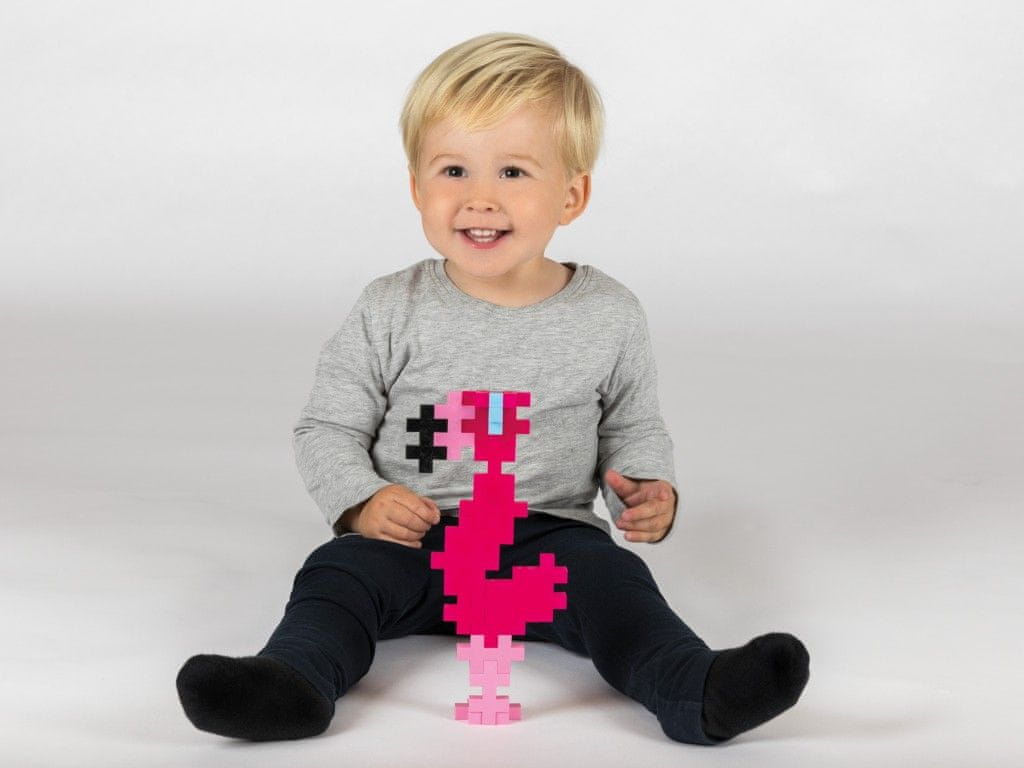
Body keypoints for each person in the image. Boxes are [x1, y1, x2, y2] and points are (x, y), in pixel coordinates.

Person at [176, 31, 809, 745]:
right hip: (411, 540)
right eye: (453, 170)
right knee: (334, 577)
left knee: (616, 584)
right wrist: (361, 500)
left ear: (571, 195)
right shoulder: (390, 307)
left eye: (512, 172)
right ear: (417, 187)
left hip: (547, 541)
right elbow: (328, 427)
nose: (479, 198)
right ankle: (292, 683)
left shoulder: (609, 314)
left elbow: (633, 426)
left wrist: (648, 488)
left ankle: (694, 688)